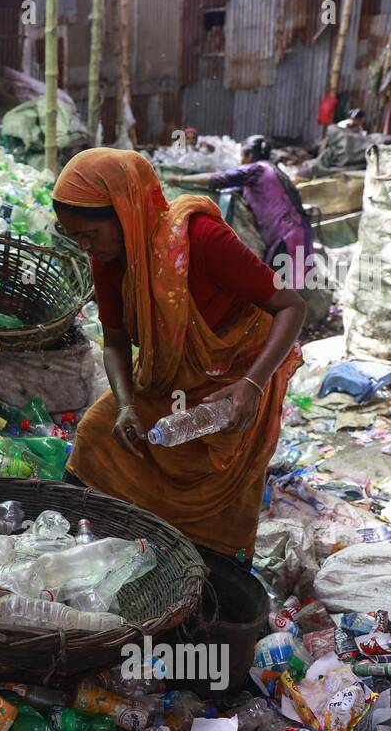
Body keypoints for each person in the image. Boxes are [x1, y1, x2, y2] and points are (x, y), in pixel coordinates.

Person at [53, 148, 304, 564]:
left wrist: (251, 386)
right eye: (74, 236)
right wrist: (125, 405)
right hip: (167, 378)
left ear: (125, 210)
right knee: (98, 434)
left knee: (218, 487)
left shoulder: (202, 240)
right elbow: (115, 341)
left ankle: (209, 569)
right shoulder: (109, 259)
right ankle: (95, 550)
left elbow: (291, 306)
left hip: (232, 385)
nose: (85, 248)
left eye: (90, 235)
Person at [165, 135, 315, 291]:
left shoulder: (257, 169)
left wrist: (180, 178)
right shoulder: (271, 172)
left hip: (288, 236)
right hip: (298, 233)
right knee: (291, 292)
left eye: (242, 156)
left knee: (283, 294)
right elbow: (229, 189)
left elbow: (220, 178)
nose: (241, 160)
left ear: (249, 155)